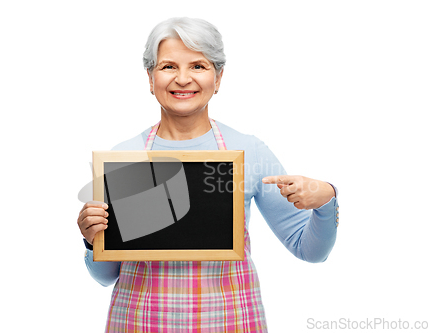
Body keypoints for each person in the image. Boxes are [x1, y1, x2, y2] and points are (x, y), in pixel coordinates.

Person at [77, 17, 339, 332]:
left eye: (198, 66)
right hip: (139, 321)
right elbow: (106, 276)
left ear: (218, 78)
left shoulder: (248, 151)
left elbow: (309, 251)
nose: (183, 79)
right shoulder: (125, 157)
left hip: (229, 321)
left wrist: (326, 201)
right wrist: (93, 241)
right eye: (168, 66)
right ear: (150, 78)